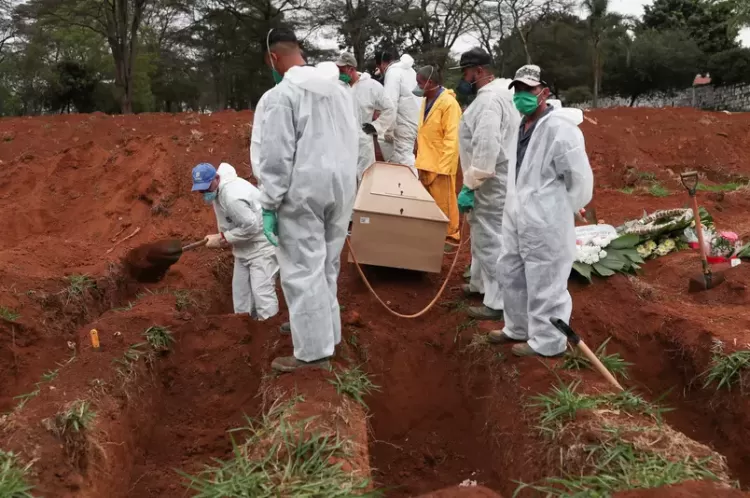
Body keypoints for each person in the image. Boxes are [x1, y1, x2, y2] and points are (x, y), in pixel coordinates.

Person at [255, 26, 359, 372]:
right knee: (328, 265)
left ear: (274, 57)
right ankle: (329, 335)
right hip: (341, 189)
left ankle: (313, 354)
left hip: (302, 192)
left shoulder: (281, 96)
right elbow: (354, 142)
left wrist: (269, 203)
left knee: (302, 270)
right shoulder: (340, 91)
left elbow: (276, 157)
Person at [491, 64, 593, 357]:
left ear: (544, 92)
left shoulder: (560, 129)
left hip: (546, 217)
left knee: (544, 276)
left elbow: (580, 179)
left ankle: (548, 342)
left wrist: (560, 209)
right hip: (516, 212)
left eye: (528, 90)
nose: (522, 95)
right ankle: (518, 327)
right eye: (518, 90)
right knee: (510, 268)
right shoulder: (520, 125)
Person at [454, 47, 520, 321]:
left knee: (489, 237)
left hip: (489, 182)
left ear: (479, 71)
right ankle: (480, 284)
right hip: (493, 178)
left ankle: (498, 301)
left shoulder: (490, 102)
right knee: (482, 234)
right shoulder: (497, 96)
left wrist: (471, 184)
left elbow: (486, 146)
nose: (464, 78)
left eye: (466, 72)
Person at [191, 162, 279, 320]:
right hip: (243, 249)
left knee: (262, 293)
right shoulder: (219, 190)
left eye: (206, 187)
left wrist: (223, 238)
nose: (204, 192)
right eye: (201, 189)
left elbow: (252, 226)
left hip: (261, 247)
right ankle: (244, 332)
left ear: (216, 178)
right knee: (241, 296)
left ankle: (270, 337)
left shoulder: (232, 197)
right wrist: (223, 236)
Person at [414, 65, 462, 245]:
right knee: (429, 202)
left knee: (445, 202)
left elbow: (452, 137)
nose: (417, 86)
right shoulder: (427, 100)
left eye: (420, 83)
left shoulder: (449, 104)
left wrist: (445, 166)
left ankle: (451, 235)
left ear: (431, 83)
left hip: (441, 162)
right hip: (426, 159)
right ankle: (432, 232)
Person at [335, 52, 396, 182]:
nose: (338, 73)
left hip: (363, 142)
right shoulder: (337, 87)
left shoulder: (371, 86)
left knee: (365, 179)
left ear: (351, 69)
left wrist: (376, 126)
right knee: (344, 180)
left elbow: (389, 108)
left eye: (341, 70)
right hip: (342, 141)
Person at [374, 47, 420, 174]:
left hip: (403, 124)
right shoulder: (409, 70)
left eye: (379, 67)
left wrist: (389, 129)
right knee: (405, 157)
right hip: (414, 120)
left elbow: (390, 103)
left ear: (383, 64)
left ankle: (410, 190)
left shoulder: (392, 73)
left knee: (403, 160)